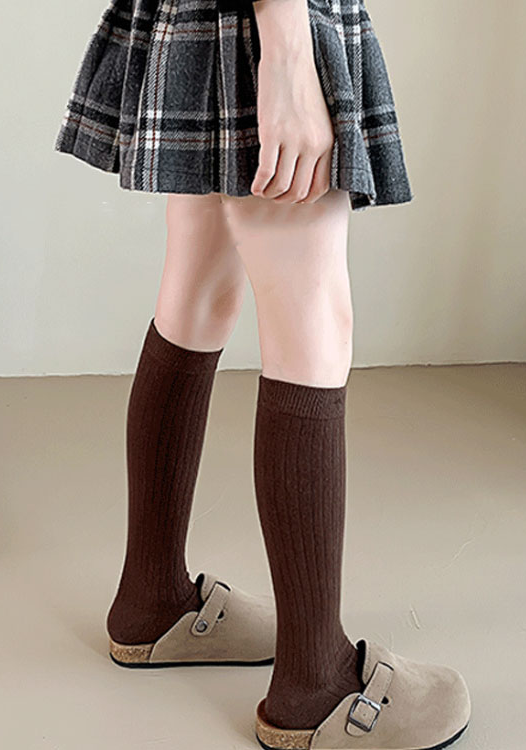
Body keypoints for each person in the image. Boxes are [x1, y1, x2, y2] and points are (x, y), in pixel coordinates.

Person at [54, 0, 471, 747]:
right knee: (312, 320)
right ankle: (316, 683)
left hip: (202, 17)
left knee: (197, 289)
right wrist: (285, 53)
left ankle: (152, 599)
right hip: (263, 23)